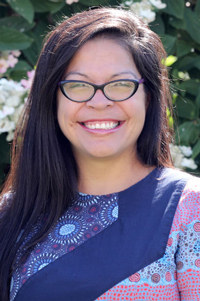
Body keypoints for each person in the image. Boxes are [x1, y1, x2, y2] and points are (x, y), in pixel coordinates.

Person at [0, 6, 200, 301]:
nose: (99, 101)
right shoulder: (13, 212)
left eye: (120, 84)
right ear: (52, 100)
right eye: (78, 85)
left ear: (148, 97)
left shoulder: (190, 209)